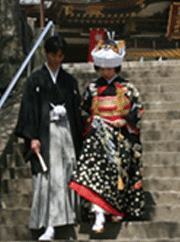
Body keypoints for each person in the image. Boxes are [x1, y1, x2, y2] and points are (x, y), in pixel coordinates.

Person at [69, 39, 145, 233]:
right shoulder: (92, 89)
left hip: (120, 136)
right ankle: (97, 210)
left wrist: (125, 121)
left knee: (119, 171)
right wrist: (93, 121)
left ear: (116, 67)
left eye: (109, 69)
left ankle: (117, 209)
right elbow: (84, 111)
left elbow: (138, 110)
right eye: (102, 68)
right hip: (98, 137)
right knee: (95, 168)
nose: (106, 72)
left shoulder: (128, 88)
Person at [15, 36, 83, 241]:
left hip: (66, 134)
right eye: (54, 54)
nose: (57, 59)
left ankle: (69, 216)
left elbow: (76, 110)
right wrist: (32, 137)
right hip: (46, 134)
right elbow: (29, 109)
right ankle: (49, 224)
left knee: (68, 171)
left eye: (61, 55)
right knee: (49, 179)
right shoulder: (35, 79)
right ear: (46, 52)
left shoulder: (69, 81)